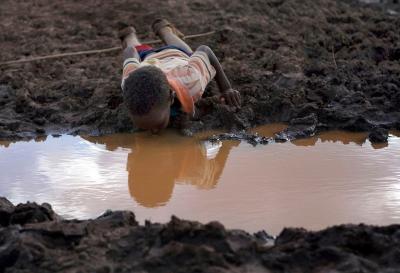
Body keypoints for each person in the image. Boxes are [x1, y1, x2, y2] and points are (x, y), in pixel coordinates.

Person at [119, 19, 241, 133]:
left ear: (171, 98)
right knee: (134, 47)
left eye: (158, 125)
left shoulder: (192, 80)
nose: (154, 132)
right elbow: (129, 52)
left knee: (186, 52)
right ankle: (129, 35)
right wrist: (131, 57)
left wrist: (226, 89)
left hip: (176, 55)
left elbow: (205, 50)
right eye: (143, 127)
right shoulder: (129, 82)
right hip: (148, 60)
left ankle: (164, 29)